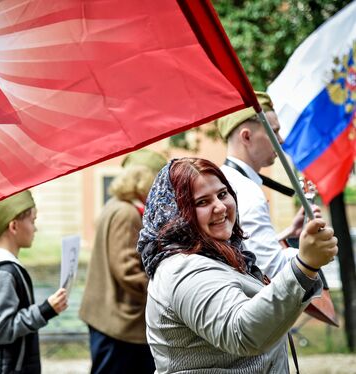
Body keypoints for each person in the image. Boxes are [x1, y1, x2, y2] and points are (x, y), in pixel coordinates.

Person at [137, 158, 337, 373]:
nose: (220, 207)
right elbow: (243, 334)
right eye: (202, 202)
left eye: (223, 194)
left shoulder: (219, 253)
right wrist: (303, 267)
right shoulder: (184, 270)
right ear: (176, 214)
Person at [79, 148, 167, 374]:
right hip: (120, 322)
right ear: (146, 179)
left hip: (112, 319)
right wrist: (163, 292)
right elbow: (126, 270)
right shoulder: (126, 212)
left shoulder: (116, 206)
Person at [0, 190, 68, 374]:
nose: (35, 228)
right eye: (32, 221)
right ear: (14, 226)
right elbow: (0, 330)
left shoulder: (5, 268)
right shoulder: (1, 272)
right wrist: (45, 310)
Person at [217, 91, 318, 278]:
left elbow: (245, 252)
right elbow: (273, 272)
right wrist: (310, 251)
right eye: (274, 131)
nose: (280, 140)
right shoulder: (248, 192)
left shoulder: (224, 179)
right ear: (246, 137)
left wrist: (287, 234)